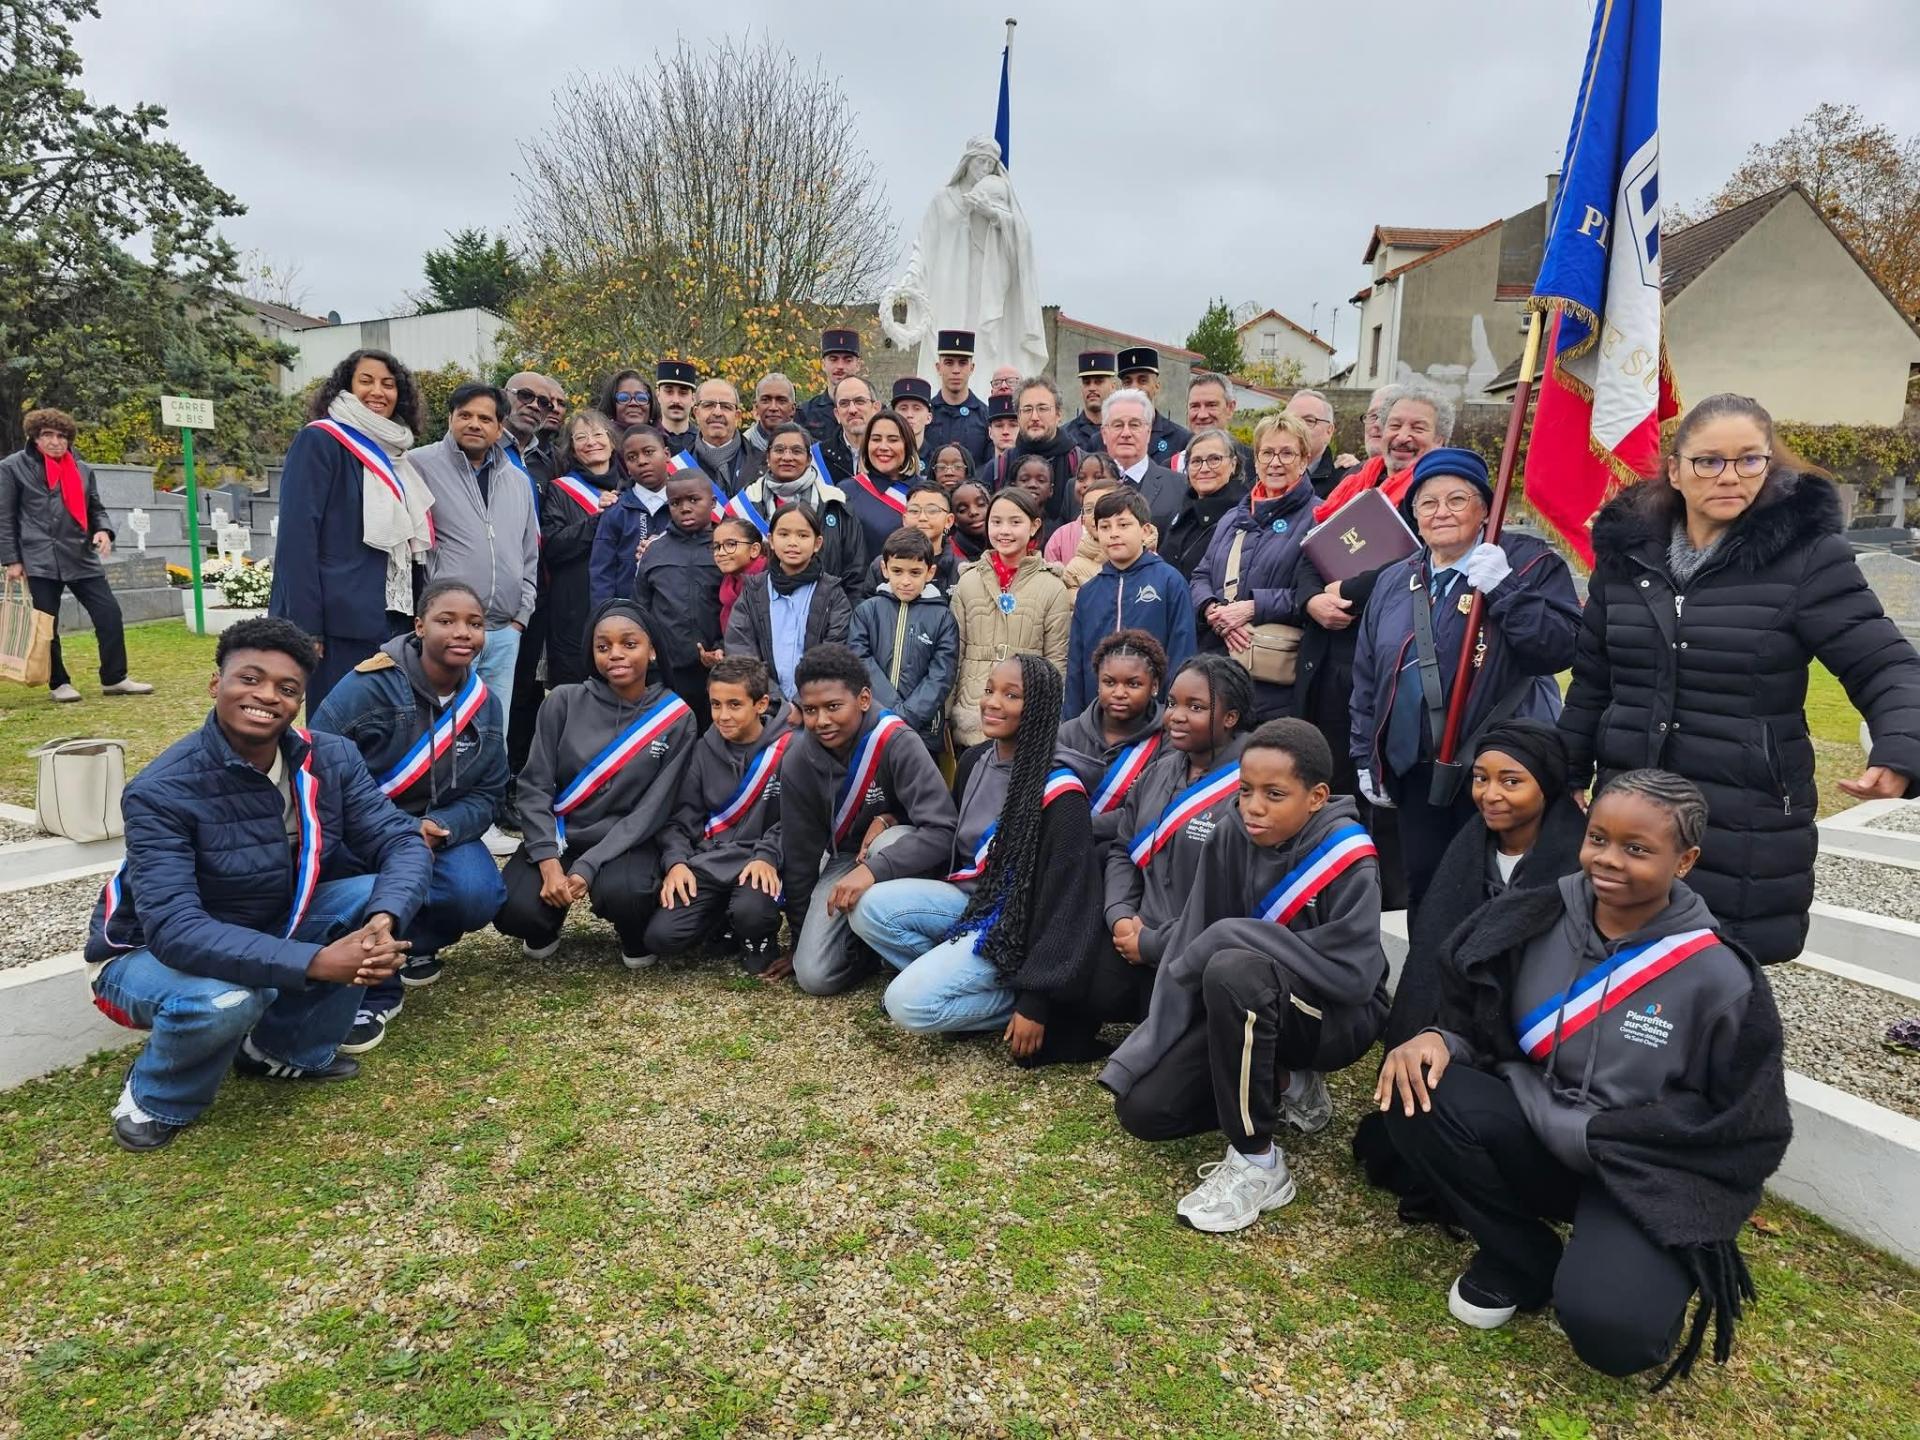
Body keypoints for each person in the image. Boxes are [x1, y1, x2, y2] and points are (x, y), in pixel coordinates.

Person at [1378, 771, 1791, 1384]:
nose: (1608, 860)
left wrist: (1610, 1137)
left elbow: (1745, 1126)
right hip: (1533, 1131)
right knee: (1414, 1089)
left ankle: (1623, 1260)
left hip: (1635, 1166)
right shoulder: (1534, 915)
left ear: (1685, 861)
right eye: (1598, 838)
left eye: (1637, 848)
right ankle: (1524, 1257)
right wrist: (1440, 1037)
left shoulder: (1722, 978)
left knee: (1617, 1337)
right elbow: (1479, 1021)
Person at [1561, 393, 1920, 964]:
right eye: (1708, 461)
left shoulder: (1808, 558)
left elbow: (1885, 664)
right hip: (1631, 800)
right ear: (1675, 470)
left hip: (1745, 812)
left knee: (1721, 974)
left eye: (1749, 459)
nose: (1729, 476)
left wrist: (1900, 747)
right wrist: (1569, 768)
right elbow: (1594, 678)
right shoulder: (1627, 557)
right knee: (1616, 965)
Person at [85, 617, 431, 1151]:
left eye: (287, 688)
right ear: (215, 685)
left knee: (369, 900)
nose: (267, 696)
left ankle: (278, 1052)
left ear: (299, 702)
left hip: (266, 923)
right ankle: (156, 1096)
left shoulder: (330, 757)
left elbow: (403, 841)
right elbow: (175, 930)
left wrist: (383, 921)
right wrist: (316, 962)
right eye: (249, 679)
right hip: (144, 953)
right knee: (229, 999)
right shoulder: (161, 790)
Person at [1102, 719, 1388, 1233]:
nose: (1254, 806)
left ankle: (1258, 1160)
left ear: (1317, 797)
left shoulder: (1349, 857)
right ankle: (1287, 1082)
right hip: (1247, 997)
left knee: (1234, 966)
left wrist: (1237, 936)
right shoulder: (1232, 832)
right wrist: (1142, 1050)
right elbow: (1192, 940)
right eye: (1245, 790)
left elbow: (1354, 980)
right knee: (1145, 1111)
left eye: (1274, 794)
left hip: (1334, 1019)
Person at [1350, 720, 1586, 1224]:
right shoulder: (1469, 848)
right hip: (1459, 1025)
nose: (1490, 794)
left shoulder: (1577, 863)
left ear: (1546, 783)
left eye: (1511, 781)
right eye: (1481, 778)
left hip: (1531, 1041)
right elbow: (1433, 958)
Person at [848, 654, 1110, 1061]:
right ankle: (959, 984)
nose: (992, 702)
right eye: (989, 690)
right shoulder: (975, 760)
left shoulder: (1061, 794)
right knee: (866, 908)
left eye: (1011, 695)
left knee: (905, 1003)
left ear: (1039, 707)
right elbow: (952, 837)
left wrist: (1036, 1002)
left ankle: (1016, 1003)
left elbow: (1068, 903)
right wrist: (888, 822)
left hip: (1015, 928)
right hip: (970, 902)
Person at [1350, 448, 1581, 905]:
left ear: (1485, 510)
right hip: (1415, 772)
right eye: (1428, 503)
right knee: (1427, 892)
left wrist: (1505, 590)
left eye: (1457, 500)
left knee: (1494, 895)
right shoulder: (1395, 580)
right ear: (1415, 516)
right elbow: (1367, 678)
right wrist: (1364, 755)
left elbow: (1560, 648)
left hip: (1499, 773)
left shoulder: (1529, 564)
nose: (1441, 513)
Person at [312, 580, 509, 1053]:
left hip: (437, 830)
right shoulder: (366, 686)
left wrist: (444, 828)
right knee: (365, 889)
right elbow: (318, 769)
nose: (462, 632)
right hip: (363, 831)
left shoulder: (485, 704)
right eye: (447, 621)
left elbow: (489, 792)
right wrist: (395, 830)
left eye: (475, 623)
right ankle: (372, 990)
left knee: (478, 893)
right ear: (419, 626)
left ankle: (415, 945)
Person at [1293, 383, 1450, 906]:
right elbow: (1308, 552)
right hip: (1328, 657)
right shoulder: (1354, 485)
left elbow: (1419, 560)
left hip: (1390, 663)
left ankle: (1384, 906)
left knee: (1382, 797)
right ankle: (1329, 890)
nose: (1402, 436)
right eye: (1395, 424)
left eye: (1418, 428)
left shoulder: (1443, 495)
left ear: (1440, 439)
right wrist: (1313, 599)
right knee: (1331, 781)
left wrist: (1347, 592)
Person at [496, 599, 696, 969]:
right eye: (603, 646)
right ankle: (543, 925)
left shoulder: (676, 717)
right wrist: (548, 862)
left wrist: (588, 866)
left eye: (629, 644)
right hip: (563, 834)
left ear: (652, 650)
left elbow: (653, 810)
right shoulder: (562, 701)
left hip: (626, 840)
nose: (615, 654)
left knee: (628, 896)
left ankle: (633, 933)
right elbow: (535, 787)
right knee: (513, 908)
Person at [778, 642, 957, 996]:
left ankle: (906, 935)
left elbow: (943, 829)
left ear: (863, 699)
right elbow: (800, 855)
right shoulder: (798, 759)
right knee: (813, 976)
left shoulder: (897, 740)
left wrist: (875, 865)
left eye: (833, 707)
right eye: (810, 710)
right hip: (846, 859)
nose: (821, 721)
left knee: (889, 840)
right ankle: (868, 953)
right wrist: (800, 939)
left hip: (897, 853)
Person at [268, 348, 434, 712]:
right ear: (345, 387)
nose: (378, 391)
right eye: (366, 381)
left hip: (394, 622)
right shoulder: (320, 440)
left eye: (388, 384)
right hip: (338, 625)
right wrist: (305, 627)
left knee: (388, 725)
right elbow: (298, 540)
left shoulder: (398, 454)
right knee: (337, 727)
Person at [1101, 656, 1254, 1018]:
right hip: (1137, 932)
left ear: (1230, 717)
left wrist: (1153, 943)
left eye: (1195, 707)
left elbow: (1238, 901)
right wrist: (1120, 915)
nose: (1176, 716)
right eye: (1172, 703)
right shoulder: (1159, 772)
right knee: (1077, 991)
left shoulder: (1252, 786)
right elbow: (1123, 849)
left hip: (1197, 951)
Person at [643, 656, 794, 975]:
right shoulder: (702, 750)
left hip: (760, 861)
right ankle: (722, 921)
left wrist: (768, 855)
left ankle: (757, 932)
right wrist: (676, 862)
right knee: (661, 937)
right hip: (711, 861)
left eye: (735, 705)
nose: (723, 716)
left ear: (761, 704)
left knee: (752, 916)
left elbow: (797, 821)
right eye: (715, 705)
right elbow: (680, 818)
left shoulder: (791, 750)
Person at [408, 383, 538, 735]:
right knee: (441, 729)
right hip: (448, 629)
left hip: (504, 631)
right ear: (450, 418)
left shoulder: (518, 480)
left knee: (494, 731)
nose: (474, 424)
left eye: (485, 418)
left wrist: (521, 616)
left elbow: (529, 551)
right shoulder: (419, 465)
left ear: (499, 427)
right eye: (465, 415)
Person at [0, 407, 153, 703]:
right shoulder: (12, 467)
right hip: (39, 557)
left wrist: (103, 530)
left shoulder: (82, 469)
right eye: (48, 435)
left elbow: (95, 507)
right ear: (34, 437)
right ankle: (59, 683)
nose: (55, 441)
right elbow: (4, 517)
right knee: (47, 625)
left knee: (109, 614)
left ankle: (115, 678)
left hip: (80, 554)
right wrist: (12, 560)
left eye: (62, 436)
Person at [1192, 414, 1319, 721]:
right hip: (1221, 668)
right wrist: (1212, 609)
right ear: (1257, 461)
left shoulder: (1319, 516)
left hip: (1277, 680)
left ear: (1304, 460)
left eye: (1287, 453)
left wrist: (1252, 608)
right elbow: (1201, 575)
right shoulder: (1232, 517)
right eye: (1267, 453)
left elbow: (1316, 595)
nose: (1276, 462)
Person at [946, 488, 1072, 748]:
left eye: (1015, 522)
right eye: (996, 522)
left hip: (1025, 714)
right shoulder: (969, 581)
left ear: (1034, 526)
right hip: (973, 710)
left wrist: (1048, 718)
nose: (1004, 531)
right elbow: (955, 652)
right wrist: (946, 713)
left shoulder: (1052, 586)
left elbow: (1056, 660)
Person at [1065, 489, 1195, 716]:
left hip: (1153, 716)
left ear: (1145, 531)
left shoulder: (1169, 581)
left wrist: (1171, 712)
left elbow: (1182, 652)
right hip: (1096, 717)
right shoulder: (1089, 592)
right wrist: (1072, 723)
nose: (1114, 534)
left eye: (1123, 525)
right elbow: (1076, 665)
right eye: (1105, 527)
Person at [723, 502, 853, 702]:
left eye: (803, 535)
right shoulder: (753, 591)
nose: (793, 542)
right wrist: (779, 704)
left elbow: (834, 654)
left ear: (817, 543)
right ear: (771, 540)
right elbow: (741, 650)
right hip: (766, 705)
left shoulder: (832, 594)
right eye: (783, 534)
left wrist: (801, 705)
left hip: (816, 704)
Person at [848, 527, 960, 754]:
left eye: (915, 572)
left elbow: (941, 675)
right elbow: (859, 660)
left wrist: (906, 716)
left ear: (930, 572)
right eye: (897, 571)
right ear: (884, 569)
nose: (905, 581)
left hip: (922, 730)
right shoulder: (867, 611)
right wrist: (890, 713)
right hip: (872, 722)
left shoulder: (943, 617)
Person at [726, 422, 867, 595]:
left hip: (827, 607)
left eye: (796, 451)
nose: (787, 457)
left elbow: (855, 572)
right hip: (760, 607)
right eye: (779, 450)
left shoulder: (835, 502)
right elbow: (728, 569)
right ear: (768, 457)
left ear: (809, 459)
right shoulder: (744, 506)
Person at [1055, 629, 1166, 844]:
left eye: (1133, 684)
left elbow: (1149, 811)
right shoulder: (1067, 735)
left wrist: (1079, 828)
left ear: (1154, 686)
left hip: (1131, 850)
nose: (1119, 693)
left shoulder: (1169, 739)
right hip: (1069, 850)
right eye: (1109, 682)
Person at [632, 470, 723, 722]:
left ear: (713, 502)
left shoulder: (726, 547)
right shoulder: (654, 551)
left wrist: (723, 648)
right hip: (666, 671)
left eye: (694, 500)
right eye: (675, 503)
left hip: (718, 668)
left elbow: (739, 606)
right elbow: (640, 609)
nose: (685, 508)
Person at [539, 411, 621, 689]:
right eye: (581, 437)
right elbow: (552, 546)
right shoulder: (559, 490)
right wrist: (599, 521)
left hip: (622, 599)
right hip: (574, 606)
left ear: (612, 442)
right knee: (576, 689)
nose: (591, 442)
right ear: (573, 449)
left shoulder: (631, 487)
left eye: (598, 434)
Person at [591, 426, 673, 605]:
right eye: (632, 457)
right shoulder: (615, 510)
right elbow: (601, 573)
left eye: (649, 452)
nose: (641, 461)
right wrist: (605, 614)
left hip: (676, 613)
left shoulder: (684, 505)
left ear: (666, 454)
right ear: (627, 467)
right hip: (627, 613)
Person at [1156, 427, 1243, 582]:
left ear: (1233, 464)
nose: (1204, 468)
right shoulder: (1181, 511)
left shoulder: (1241, 516)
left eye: (1214, 459)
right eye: (1196, 461)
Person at [1100, 388, 1185, 530]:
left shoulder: (1179, 486)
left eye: (1134, 425)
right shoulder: (1081, 487)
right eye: (1118, 425)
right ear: (1104, 434)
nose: (1126, 433)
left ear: (1149, 432)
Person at [1006, 376, 1084, 525]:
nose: (1034, 417)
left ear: (1058, 414)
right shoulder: (1000, 466)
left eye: (1042, 408)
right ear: (1018, 416)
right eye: (1027, 409)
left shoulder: (1079, 463)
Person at [845, 408, 922, 558]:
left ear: (907, 445)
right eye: (876, 439)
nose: (883, 447)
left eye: (893, 440)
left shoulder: (927, 491)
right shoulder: (847, 491)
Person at [862, 480, 961, 593]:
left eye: (932, 511)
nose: (922, 518)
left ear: (949, 521)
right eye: (914, 511)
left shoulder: (959, 569)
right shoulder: (882, 564)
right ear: (904, 519)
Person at [1044, 467, 1123, 590]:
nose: (1096, 515)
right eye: (1089, 510)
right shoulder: (1065, 544)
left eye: (1103, 507)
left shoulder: (1141, 550)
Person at [924, 329, 991, 463]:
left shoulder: (986, 417)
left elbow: (990, 464)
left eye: (962, 363)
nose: (956, 370)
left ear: (972, 368)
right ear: (938, 367)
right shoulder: (925, 415)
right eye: (949, 363)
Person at [1116, 347, 1191, 463]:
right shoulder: (1103, 440)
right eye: (1128, 382)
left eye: (1142, 381)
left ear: (1157, 386)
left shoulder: (1181, 440)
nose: (1134, 388)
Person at [1183, 372, 1255, 478]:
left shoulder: (1253, 464)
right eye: (1195, 406)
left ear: (1230, 408)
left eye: (1211, 405)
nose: (1202, 415)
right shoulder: (1172, 463)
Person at [798, 329, 863, 444]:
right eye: (833, 359)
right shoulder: (805, 413)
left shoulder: (874, 412)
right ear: (823, 364)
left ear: (858, 365)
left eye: (848, 360)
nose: (840, 366)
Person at [1285, 389, 1350, 499]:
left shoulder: (1345, 482)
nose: (1297, 428)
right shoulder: (1260, 472)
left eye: (1309, 421)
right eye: (1290, 421)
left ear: (1329, 431)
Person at [739, 373, 798, 492]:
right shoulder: (739, 450)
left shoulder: (810, 450)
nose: (773, 407)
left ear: (793, 409)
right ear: (756, 407)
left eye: (781, 401)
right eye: (766, 400)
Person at [688, 378, 748, 494]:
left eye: (726, 406)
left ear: (737, 416)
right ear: (696, 413)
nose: (717, 412)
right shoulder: (678, 466)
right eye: (708, 405)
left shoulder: (760, 465)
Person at [711, 514, 767, 634]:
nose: (720, 553)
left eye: (731, 544)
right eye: (716, 547)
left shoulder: (770, 584)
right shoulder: (727, 584)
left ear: (754, 550)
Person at [819, 374, 878, 485]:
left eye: (860, 401)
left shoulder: (890, 454)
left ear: (876, 408)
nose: (852, 410)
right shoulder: (819, 457)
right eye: (844, 404)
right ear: (837, 414)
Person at [1063, 350, 1117, 453]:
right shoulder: (1065, 435)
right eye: (1086, 383)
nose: (1091, 388)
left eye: (1098, 382)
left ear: (1113, 386)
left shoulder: (1123, 433)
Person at [654, 359, 699, 454]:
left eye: (683, 393)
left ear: (693, 399)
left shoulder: (704, 442)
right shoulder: (645, 438)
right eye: (669, 392)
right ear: (658, 395)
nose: (676, 400)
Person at [890, 377, 935, 455]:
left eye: (917, 409)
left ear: (929, 418)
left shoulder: (936, 459)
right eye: (903, 408)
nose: (909, 415)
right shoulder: (885, 455)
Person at [950, 478, 990, 563]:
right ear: (953, 519)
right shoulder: (949, 556)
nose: (973, 512)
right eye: (963, 509)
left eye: (981, 504)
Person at [985, 393, 1019, 465]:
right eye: (999, 426)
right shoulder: (983, 472)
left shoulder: (1033, 470)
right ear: (990, 432)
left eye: (1013, 425)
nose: (1005, 432)